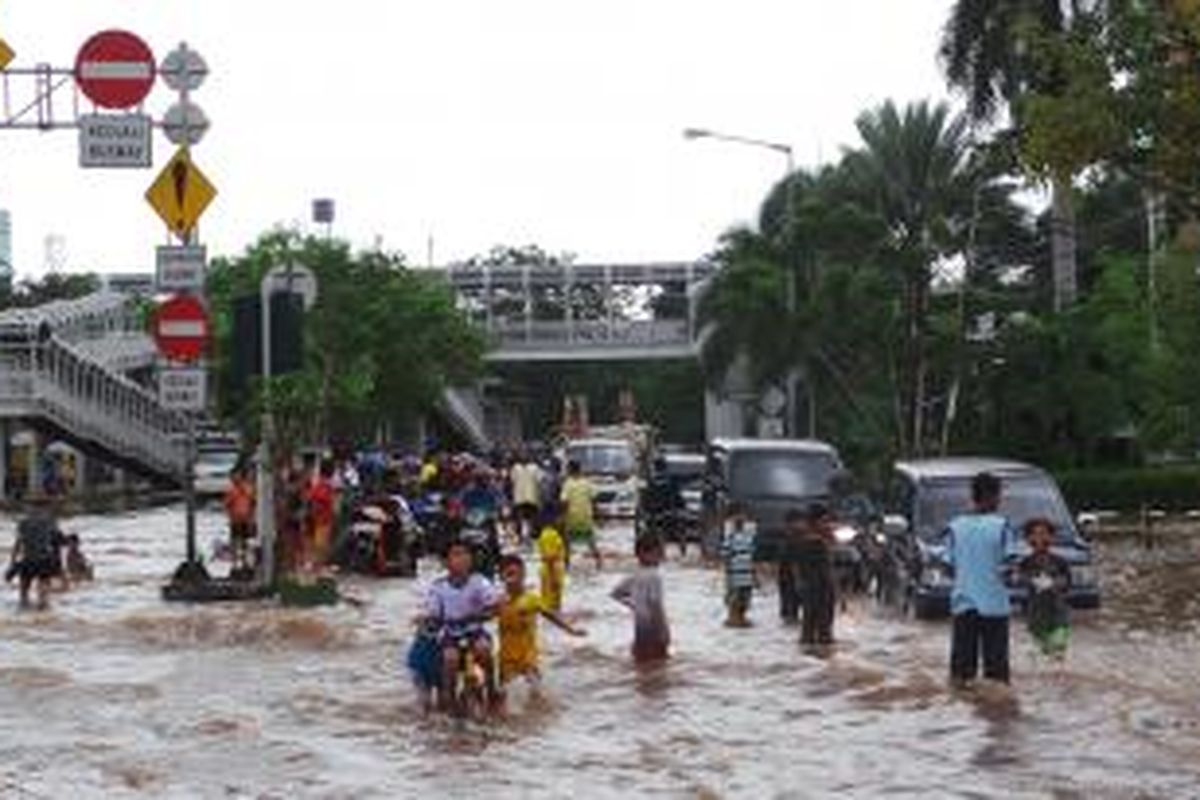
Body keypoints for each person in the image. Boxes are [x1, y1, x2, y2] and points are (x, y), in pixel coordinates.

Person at [942, 472, 1019, 687]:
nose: (1000, 500)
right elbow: (1010, 567)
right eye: (999, 495)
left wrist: (967, 577)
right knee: (997, 678)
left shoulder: (954, 527)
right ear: (990, 496)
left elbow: (947, 566)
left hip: (963, 606)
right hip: (994, 607)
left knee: (960, 676)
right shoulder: (1002, 527)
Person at [423, 540, 503, 711]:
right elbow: (434, 615)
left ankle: (492, 688)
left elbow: (494, 607)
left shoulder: (480, 582)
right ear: (446, 562)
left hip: (475, 632)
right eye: (456, 554)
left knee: (484, 650)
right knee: (450, 659)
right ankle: (447, 698)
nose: (463, 558)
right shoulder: (438, 587)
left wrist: (481, 615)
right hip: (451, 635)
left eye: (466, 554)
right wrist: (429, 621)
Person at [496, 554, 586, 691]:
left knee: (536, 689)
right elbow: (481, 615)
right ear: (502, 578)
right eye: (508, 575)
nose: (512, 579)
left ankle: (539, 708)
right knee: (504, 691)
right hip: (506, 656)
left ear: (523, 575)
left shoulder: (532, 599)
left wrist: (571, 630)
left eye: (516, 574)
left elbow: (551, 616)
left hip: (528, 655)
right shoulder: (499, 602)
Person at [1018, 517, 1072, 660]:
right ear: (1027, 539)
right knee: (1042, 654)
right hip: (1036, 616)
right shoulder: (1025, 563)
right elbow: (1020, 580)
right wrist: (1031, 581)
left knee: (1058, 650)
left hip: (1058, 614)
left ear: (1052, 537)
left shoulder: (1061, 562)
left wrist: (1055, 583)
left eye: (1044, 534)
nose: (1039, 538)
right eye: (1035, 534)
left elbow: (1067, 583)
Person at [611, 535, 670, 663]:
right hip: (654, 629)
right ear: (644, 553)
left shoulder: (634, 575)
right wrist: (664, 631)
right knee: (659, 664)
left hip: (639, 628)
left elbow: (615, 594)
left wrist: (633, 605)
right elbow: (656, 605)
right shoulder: (655, 576)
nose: (662, 557)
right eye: (659, 553)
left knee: (641, 661)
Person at [6, 499, 65, 610]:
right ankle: (42, 613)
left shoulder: (23, 523)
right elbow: (57, 543)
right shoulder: (51, 522)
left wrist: (12, 563)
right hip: (44, 560)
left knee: (24, 593)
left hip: (28, 560)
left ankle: (25, 614)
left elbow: (18, 544)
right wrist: (58, 565)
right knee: (43, 593)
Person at [796, 504, 837, 647]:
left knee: (809, 627)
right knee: (822, 630)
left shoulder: (805, 540)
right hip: (818, 590)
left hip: (813, 589)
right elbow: (824, 571)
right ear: (814, 523)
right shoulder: (815, 543)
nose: (828, 525)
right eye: (824, 521)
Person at [720, 502, 757, 627]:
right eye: (737, 516)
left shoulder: (749, 536)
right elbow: (725, 556)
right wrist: (728, 575)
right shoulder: (729, 537)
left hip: (747, 575)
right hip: (734, 575)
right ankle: (733, 619)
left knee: (745, 600)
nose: (740, 518)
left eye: (742, 516)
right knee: (734, 601)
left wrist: (754, 575)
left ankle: (741, 619)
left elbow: (752, 557)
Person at [561, 460, 602, 570]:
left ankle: (566, 566)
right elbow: (594, 500)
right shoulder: (587, 483)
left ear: (570, 470)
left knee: (567, 543)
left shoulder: (567, 484)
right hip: (586, 518)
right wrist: (597, 515)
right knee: (591, 542)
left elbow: (565, 502)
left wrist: (562, 517)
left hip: (572, 518)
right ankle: (599, 563)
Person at [642, 456, 685, 556]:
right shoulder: (671, 480)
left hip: (655, 514)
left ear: (655, 467)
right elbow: (678, 497)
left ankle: (661, 551)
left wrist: (647, 511)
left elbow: (646, 498)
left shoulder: (651, 481)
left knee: (657, 532)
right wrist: (681, 507)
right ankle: (682, 549)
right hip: (670, 513)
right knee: (679, 531)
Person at [303, 458, 337, 570]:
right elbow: (315, 500)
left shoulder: (320, 484)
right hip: (321, 520)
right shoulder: (323, 486)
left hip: (321, 519)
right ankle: (316, 567)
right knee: (320, 546)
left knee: (320, 545)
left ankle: (316, 566)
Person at [224, 463, 257, 575]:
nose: (234, 478)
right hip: (235, 521)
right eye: (232, 476)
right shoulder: (231, 490)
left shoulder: (248, 488)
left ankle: (245, 563)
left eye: (236, 475)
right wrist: (230, 517)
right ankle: (235, 564)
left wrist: (251, 518)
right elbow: (227, 505)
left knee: (246, 543)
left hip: (246, 520)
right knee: (235, 542)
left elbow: (253, 502)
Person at [776, 510, 805, 625]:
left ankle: (790, 617)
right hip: (789, 577)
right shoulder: (791, 540)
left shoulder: (791, 538)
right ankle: (790, 617)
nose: (802, 524)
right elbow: (791, 561)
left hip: (788, 576)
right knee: (790, 599)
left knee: (791, 601)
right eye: (799, 522)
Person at [536, 513, 568, 613]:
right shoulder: (550, 534)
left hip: (552, 570)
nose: (562, 520)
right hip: (552, 571)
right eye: (560, 517)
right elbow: (549, 557)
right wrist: (553, 576)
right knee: (552, 605)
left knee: (553, 603)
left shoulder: (550, 533)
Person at [509, 452, 542, 544]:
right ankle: (520, 537)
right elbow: (512, 481)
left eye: (526, 456)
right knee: (520, 519)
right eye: (522, 456)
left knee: (532, 519)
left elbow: (539, 481)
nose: (524, 458)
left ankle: (533, 536)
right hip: (519, 498)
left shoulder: (535, 468)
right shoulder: (515, 468)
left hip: (532, 497)